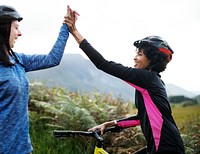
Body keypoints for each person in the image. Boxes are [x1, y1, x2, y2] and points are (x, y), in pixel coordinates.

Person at [64, 6, 185, 154]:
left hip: (166, 149)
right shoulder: (150, 83)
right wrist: (112, 123)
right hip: (162, 147)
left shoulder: (147, 79)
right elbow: (141, 118)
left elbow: (103, 64)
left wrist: (74, 32)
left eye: (140, 54)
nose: (135, 57)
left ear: (152, 59)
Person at [0, 5, 70, 153]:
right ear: (4, 29)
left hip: (23, 148)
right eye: (16, 28)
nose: (20, 33)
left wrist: (66, 26)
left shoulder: (18, 59)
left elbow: (53, 59)